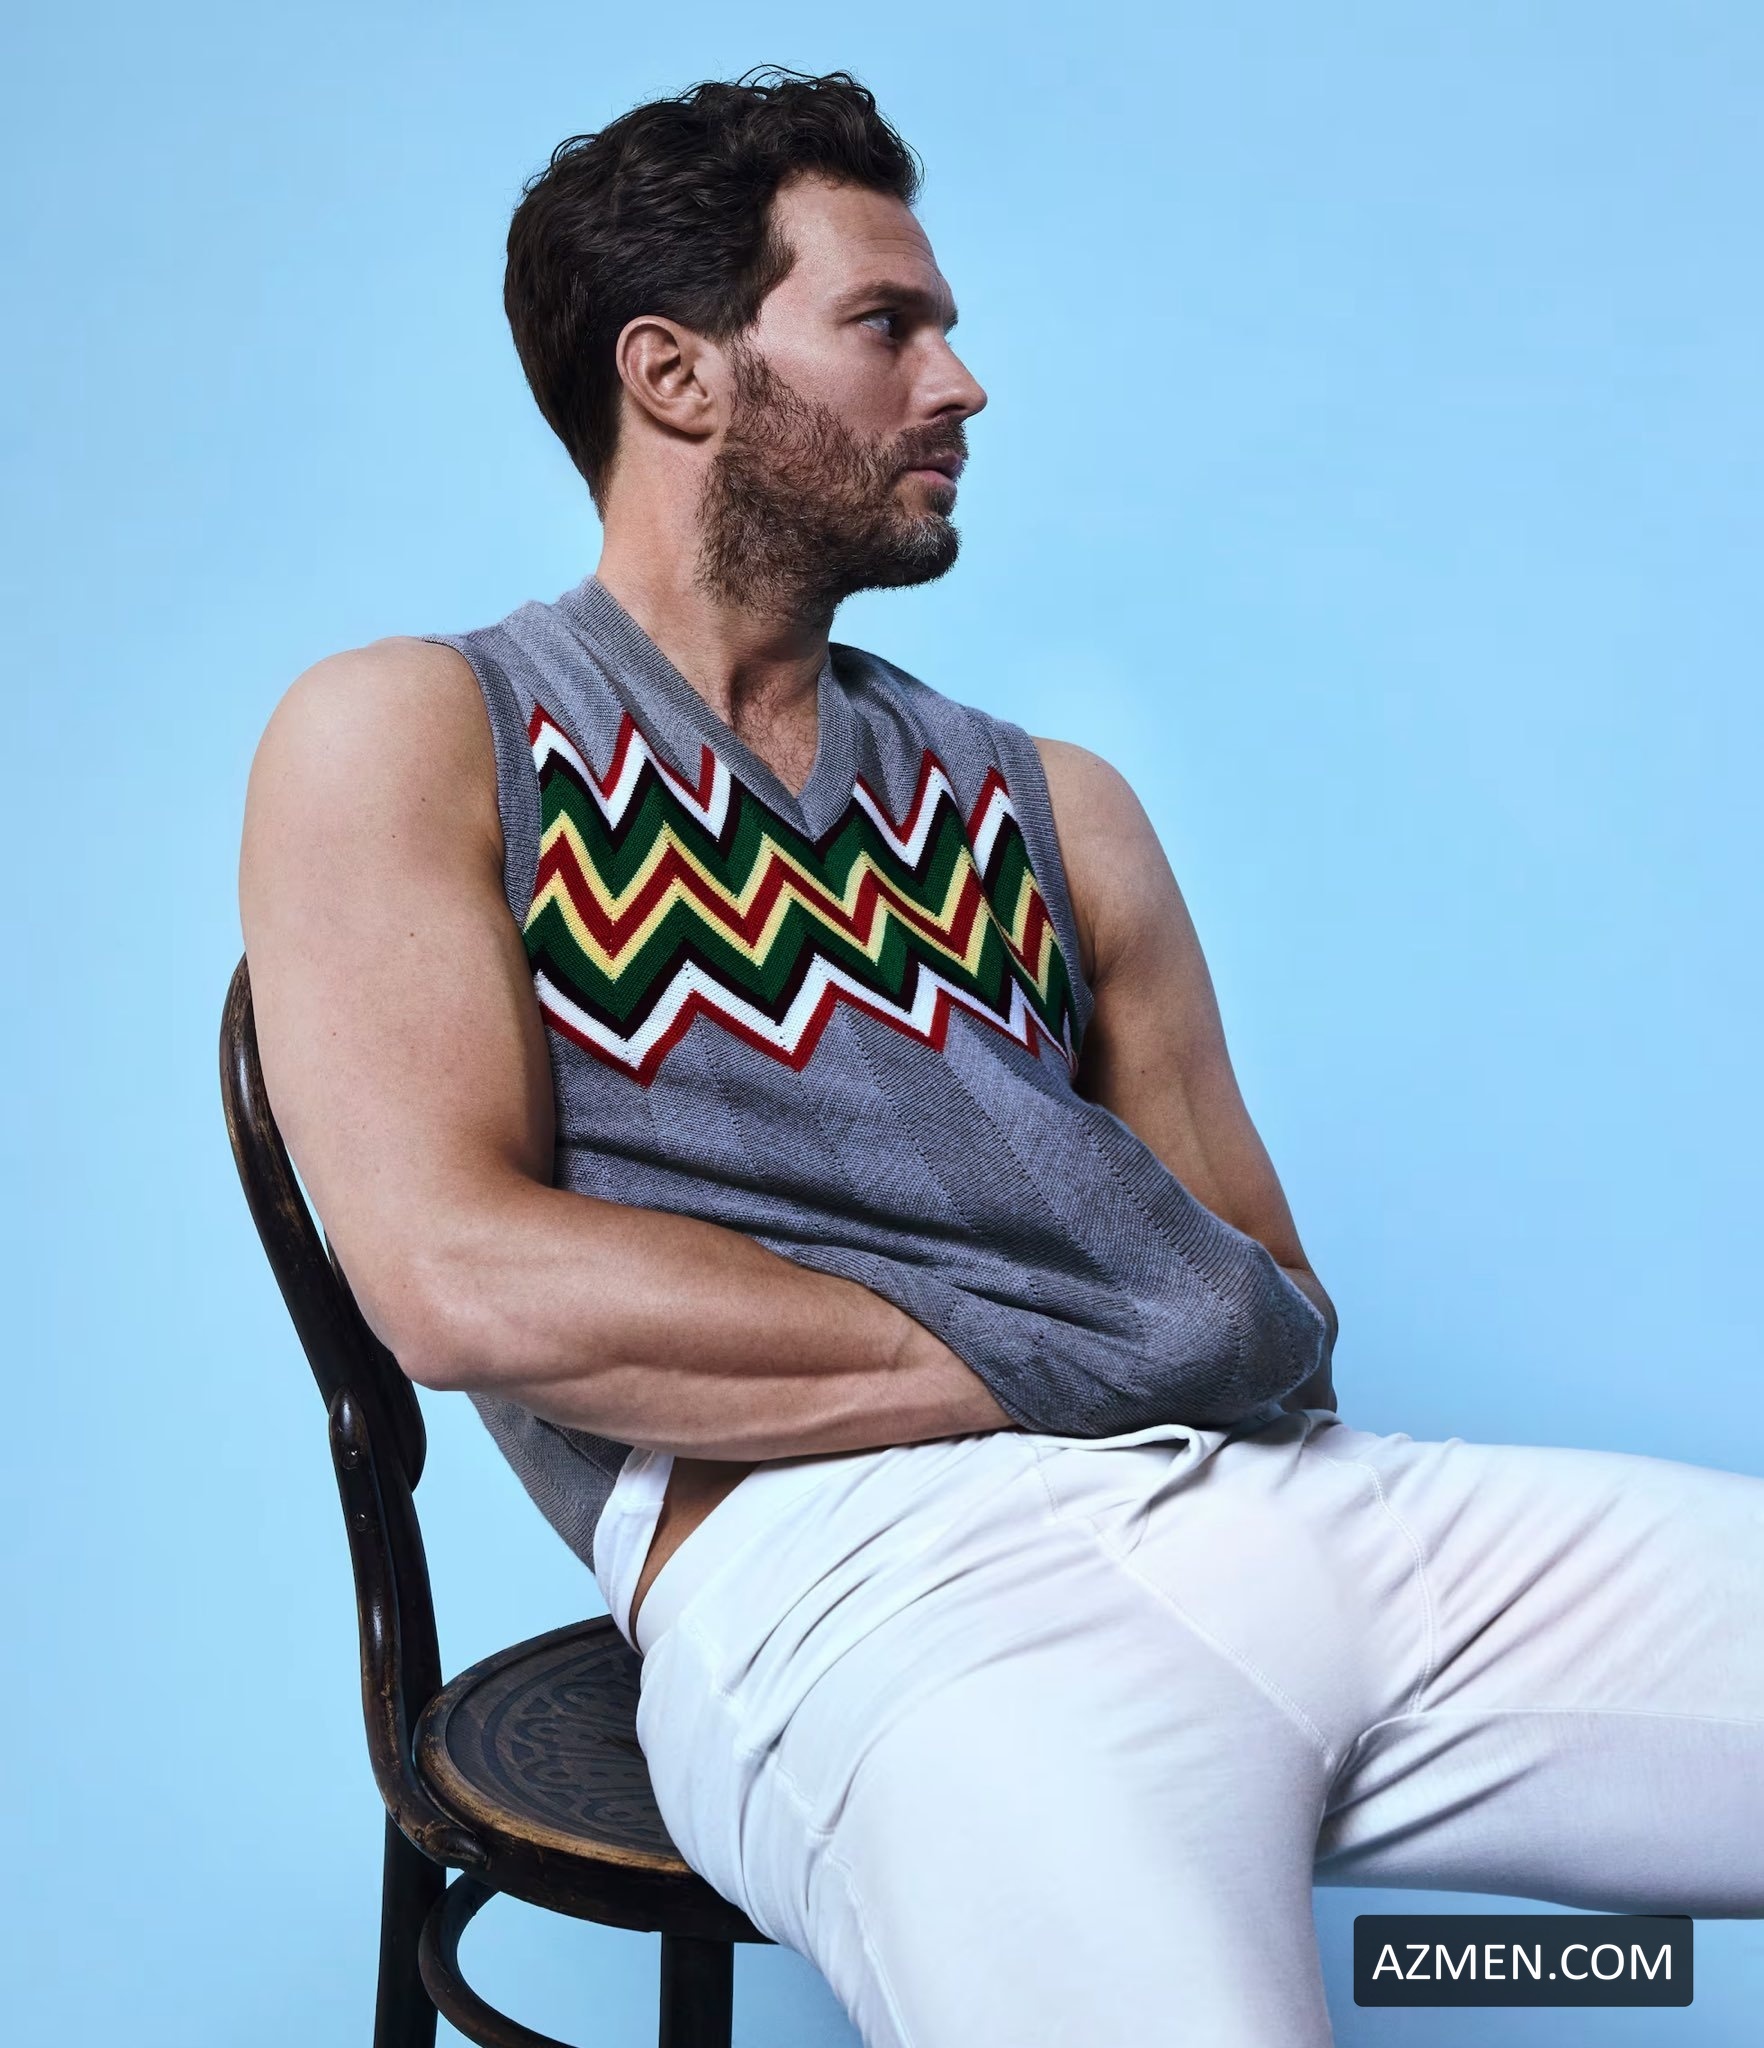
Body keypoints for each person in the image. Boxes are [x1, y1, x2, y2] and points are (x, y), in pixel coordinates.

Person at [237, 67, 1764, 2047]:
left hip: (1300, 1508)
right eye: (888, 325)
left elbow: (1264, 1306)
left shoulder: (1062, 805)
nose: (960, 384)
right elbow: (465, 1282)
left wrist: (1141, 1336)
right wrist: (1084, 1329)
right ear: (676, 375)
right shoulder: (418, 731)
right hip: (868, 1586)